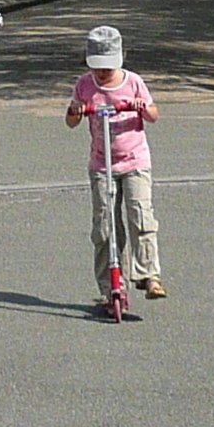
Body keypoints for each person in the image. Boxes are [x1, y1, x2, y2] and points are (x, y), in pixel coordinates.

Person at [65, 24, 163, 308]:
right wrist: (77, 111)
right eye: (98, 67)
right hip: (102, 164)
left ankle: (148, 275)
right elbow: (71, 120)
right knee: (105, 226)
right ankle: (111, 287)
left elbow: (154, 115)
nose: (102, 73)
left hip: (135, 162)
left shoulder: (133, 82)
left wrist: (140, 107)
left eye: (107, 68)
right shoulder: (84, 84)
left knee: (140, 216)